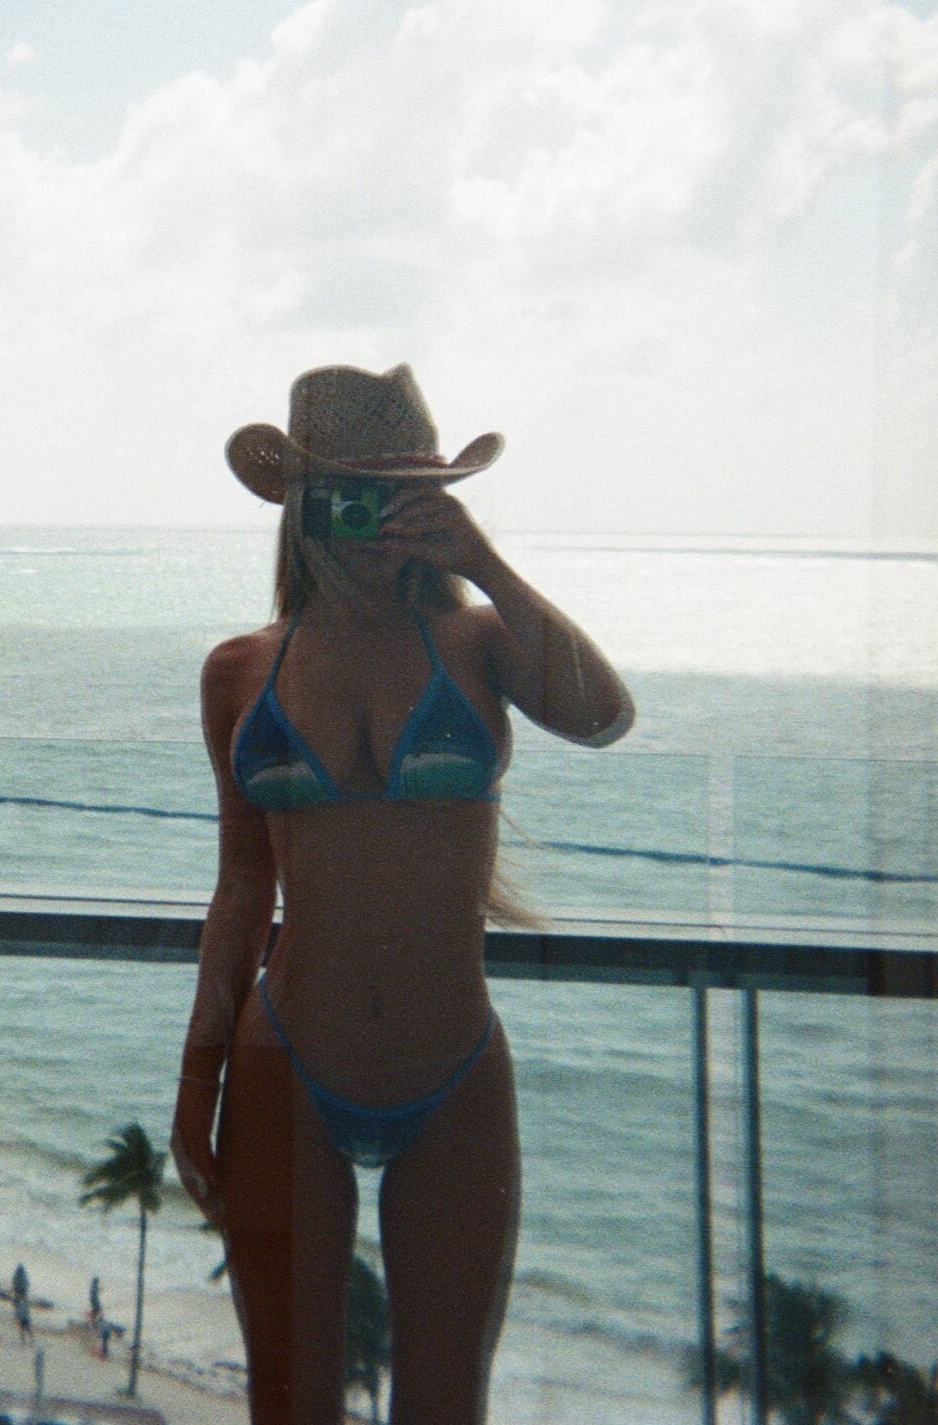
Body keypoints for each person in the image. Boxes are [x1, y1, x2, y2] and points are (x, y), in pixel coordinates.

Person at [171, 365, 633, 1424]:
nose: (376, 520)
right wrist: (198, 1078)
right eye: (352, 494)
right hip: (283, 1063)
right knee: (289, 1405)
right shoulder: (240, 668)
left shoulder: (478, 642)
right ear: (302, 505)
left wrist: (483, 563)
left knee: (444, 1408)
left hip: (452, 1072)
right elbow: (240, 888)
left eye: (401, 495)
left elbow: (604, 717)